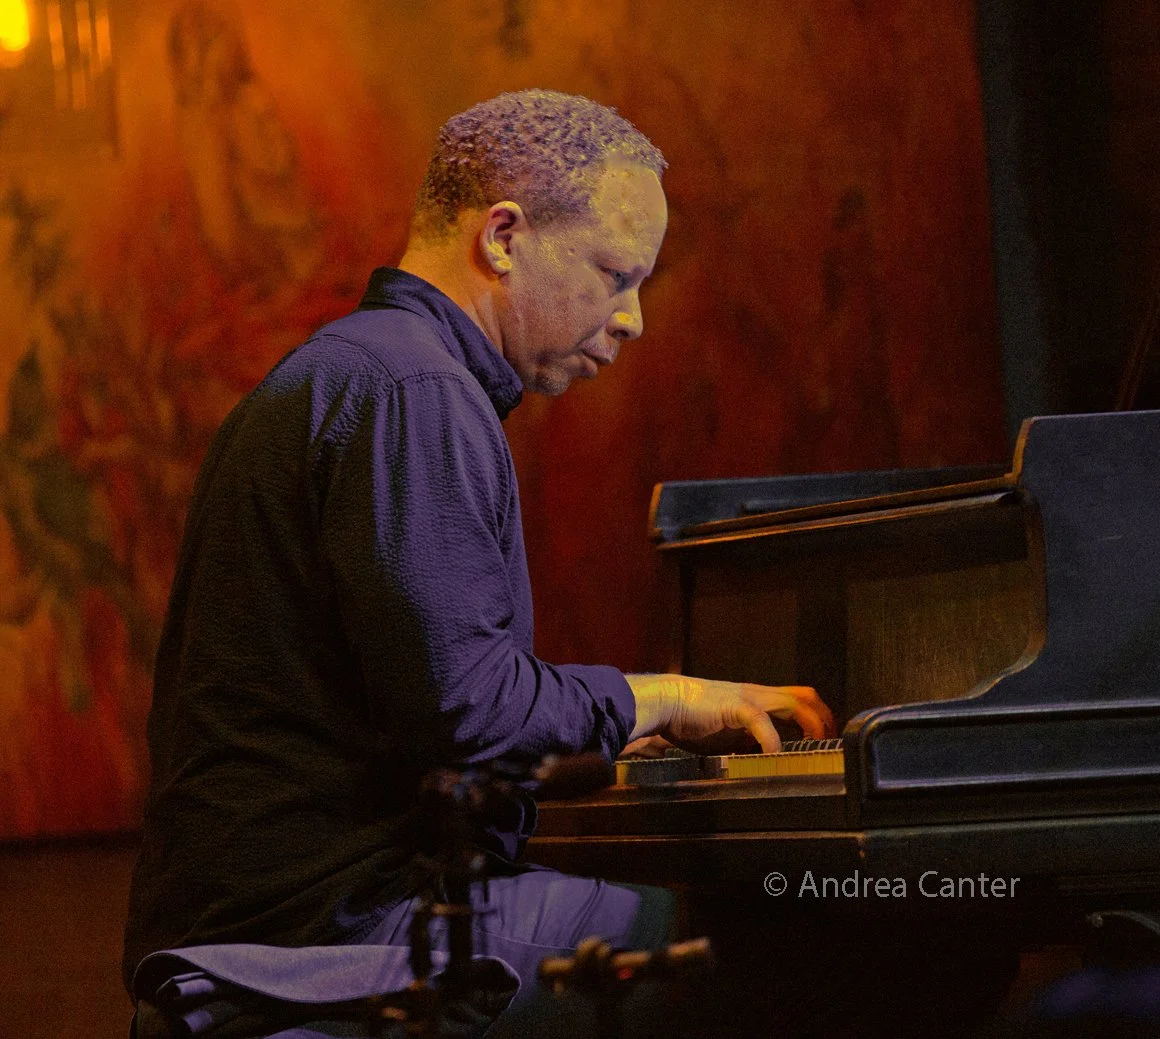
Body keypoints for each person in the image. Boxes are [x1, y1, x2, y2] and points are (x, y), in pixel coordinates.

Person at [123, 88, 832, 1038]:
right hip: (337, 940)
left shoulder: (363, 370)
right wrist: (662, 698)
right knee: (819, 946)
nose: (633, 320)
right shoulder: (414, 390)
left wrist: (603, 737)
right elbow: (467, 714)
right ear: (502, 235)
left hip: (287, 921)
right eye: (616, 274)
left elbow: (406, 721)